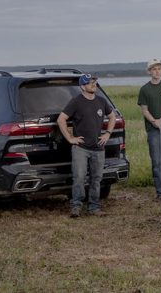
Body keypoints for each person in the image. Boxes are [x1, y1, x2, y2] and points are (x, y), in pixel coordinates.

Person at [57, 74, 116, 218]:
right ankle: (76, 206)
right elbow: (61, 119)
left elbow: (112, 116)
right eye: (90, 83)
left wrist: (108, 133)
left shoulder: (101, 101)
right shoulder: (76, 102)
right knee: (79, 177)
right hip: (81, 149)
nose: (93, 84)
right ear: (82, 87)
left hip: (98, 149)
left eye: (95, 82)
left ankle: (94, 207)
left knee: (96, 179)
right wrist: (70, 138)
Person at [137, 59, 161, 199]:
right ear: (149, 71)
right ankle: (160, 192)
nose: (157, 71)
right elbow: (144, 109)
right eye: (154, 69)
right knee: (156, 161)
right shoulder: (145, 89)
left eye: (159, 68)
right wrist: (154, 121)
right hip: (153, 130)